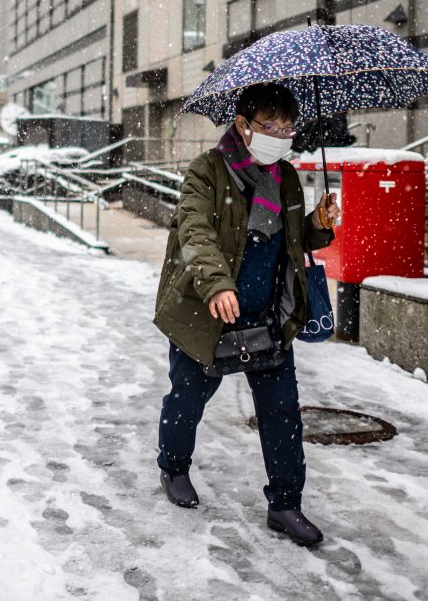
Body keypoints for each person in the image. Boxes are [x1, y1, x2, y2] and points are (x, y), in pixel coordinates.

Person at [152, 83, 341, 546]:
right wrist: (216, 284)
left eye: (288, 127)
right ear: (242, 125)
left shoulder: (289, 178)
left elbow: (295, 245)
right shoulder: (208, 170)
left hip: (267, 317)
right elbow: (194, 230)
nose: (281, 135)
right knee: (187, 401)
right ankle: (173, 467)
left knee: (282, 413)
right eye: (270, 126)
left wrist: (319, 225)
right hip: (209, 311)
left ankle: (286, 503)